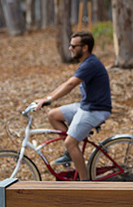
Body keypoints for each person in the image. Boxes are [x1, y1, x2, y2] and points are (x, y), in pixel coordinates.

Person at [34, 31, 112, 181]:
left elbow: (70, 85)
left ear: (85, 48)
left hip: (95, 110)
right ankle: (71, 153)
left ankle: (84, 183)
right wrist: (47, 99)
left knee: (70, 142)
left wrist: (49, 99)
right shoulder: (87, 62)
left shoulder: (91, 64)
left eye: (73, 46)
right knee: (53, 115)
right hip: (86, 106)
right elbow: (67, 83)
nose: (70, 48)